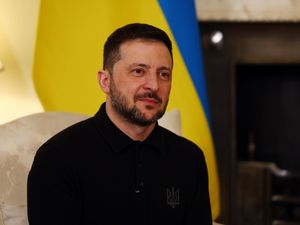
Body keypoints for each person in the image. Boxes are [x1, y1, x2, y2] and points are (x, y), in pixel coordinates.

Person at [27, 23, 212, 225]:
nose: (154, 85)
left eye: (163, 74)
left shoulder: (190, 158)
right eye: (138, 71)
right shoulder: (57, 158)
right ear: (105, 81)